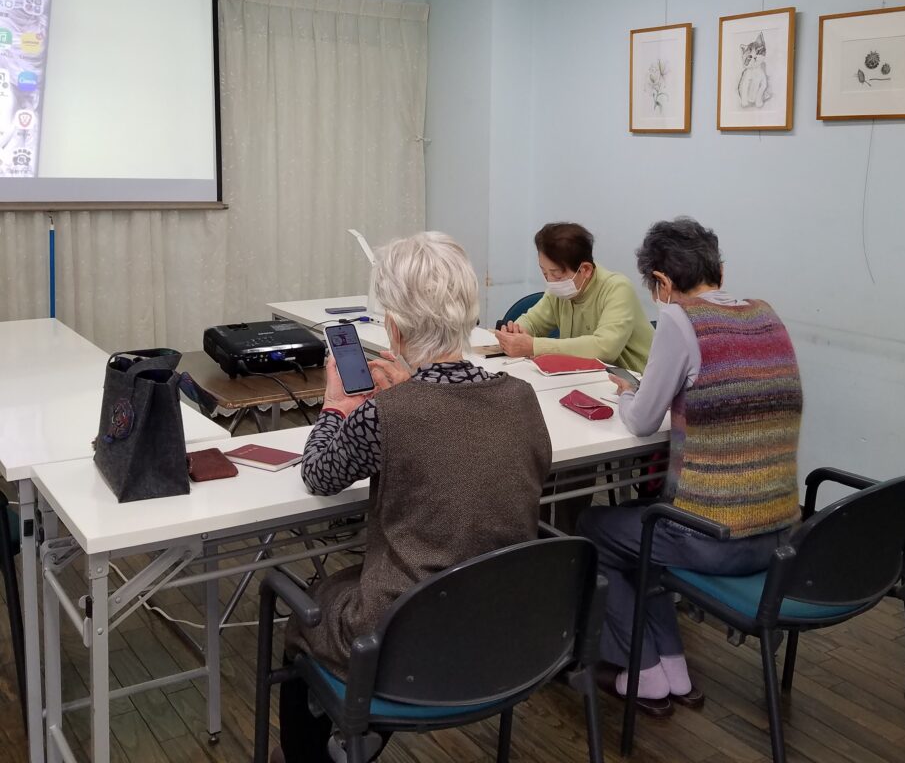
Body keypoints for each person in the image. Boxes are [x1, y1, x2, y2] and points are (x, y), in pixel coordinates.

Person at [274, 232, 552, 763]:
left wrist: (334, 406)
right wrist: (411, 387)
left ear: (394, 329)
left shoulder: (387, 413)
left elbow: (319, 474)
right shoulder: (522, 398)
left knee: (309, 613)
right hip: (504, 623)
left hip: (402, 634)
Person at [577, 217, 802, 718]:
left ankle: (640, 669)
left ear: (662, 281)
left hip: (715, 537)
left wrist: (629, 392)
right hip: (780, 534)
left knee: (595, 528)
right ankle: (671, 667)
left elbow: (641, 421)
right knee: (642, 522)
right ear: (719, 269)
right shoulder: (766, 313)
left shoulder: (681, 320)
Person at [495, 221, 653, 372]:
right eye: (544, 273)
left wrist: (534, 346)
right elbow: (533, 321)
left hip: (635, 382)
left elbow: (604, 349)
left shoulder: (617, 289)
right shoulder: (558, 291)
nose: (550, 282)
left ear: (585, 270)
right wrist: (516, 332)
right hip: (587, 377)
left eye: (556, 275)